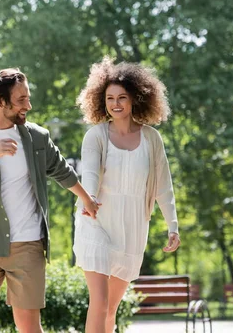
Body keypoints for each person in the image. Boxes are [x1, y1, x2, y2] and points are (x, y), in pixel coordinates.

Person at [0, 68, 99, 333]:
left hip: (27, 244)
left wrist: (87, 200)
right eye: (22, 99)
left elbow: (61, 169)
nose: (29, 105)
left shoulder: (36, 137)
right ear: (1, 101)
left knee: (27, 325)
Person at [73, 57, 181, 333]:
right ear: (101, 100)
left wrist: (173, 226)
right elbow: (90, 175)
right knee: (100, 300)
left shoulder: (151, 139)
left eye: (122, 97)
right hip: (96, 220)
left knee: (111, 308)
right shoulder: (95, 136)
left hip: (132, 228)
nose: (116, 103)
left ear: (136, 99)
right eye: (109, 98)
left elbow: (163, 185)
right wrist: (90, 198)